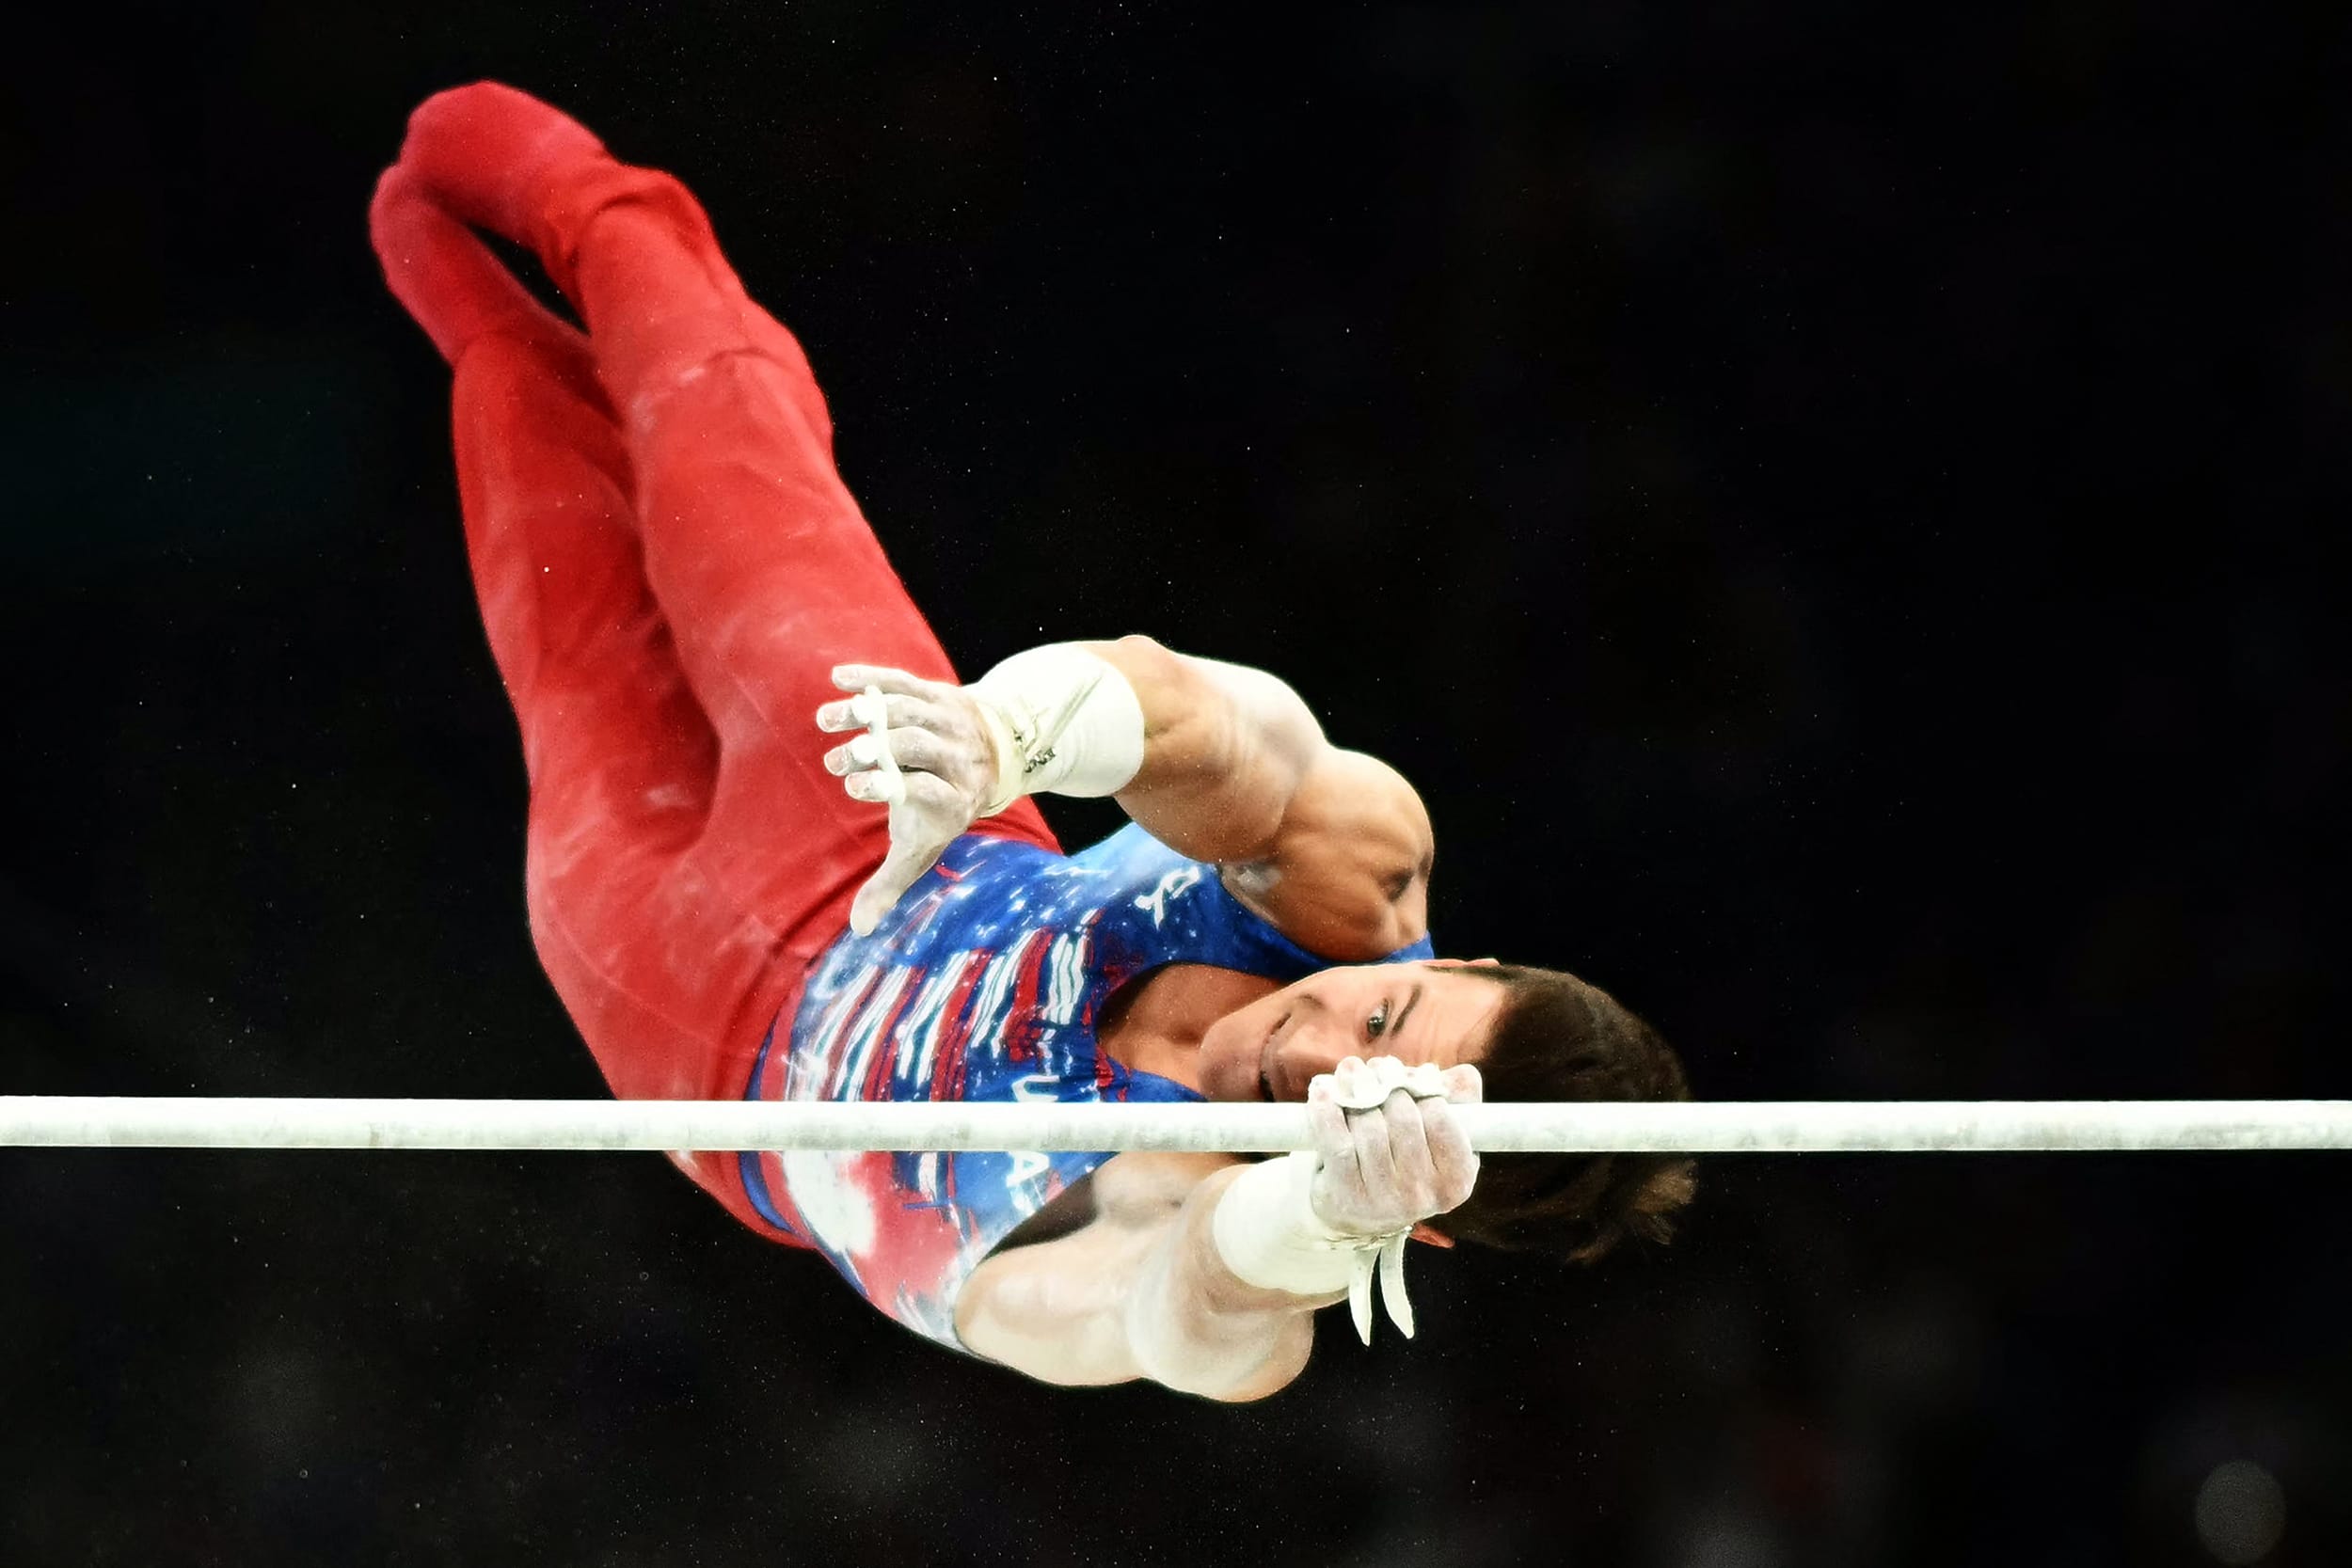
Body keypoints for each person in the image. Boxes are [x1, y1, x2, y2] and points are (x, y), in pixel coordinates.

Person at [370, 82, 1694, 1401]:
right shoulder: (1351, 882)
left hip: (708, 1030)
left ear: (1426, 1212)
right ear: (1454, 956)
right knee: (717, 422)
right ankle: (587, 199)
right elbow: (1191, 716)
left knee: (545, 501)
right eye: (1384, 1013)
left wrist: (1316, 1228)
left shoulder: (1174, 1213)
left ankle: (485, 335)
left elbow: (1190, 1314)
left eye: (1349, 1102)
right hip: (907, 811)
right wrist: (1003, 740)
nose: (1308, 1047)